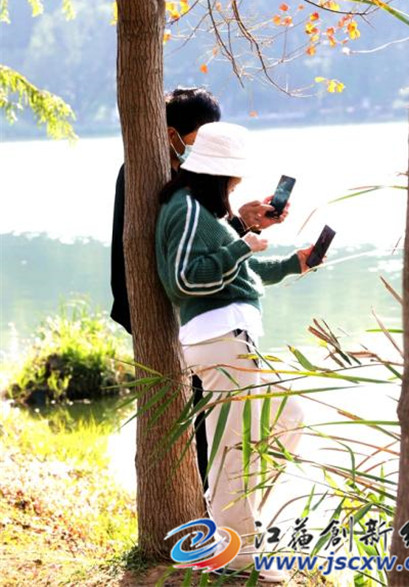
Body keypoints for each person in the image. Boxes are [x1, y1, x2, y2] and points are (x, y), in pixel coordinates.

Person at [155, 122, 315, 581]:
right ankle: (238, 555)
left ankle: (235, 524)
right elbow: (184, 280)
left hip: (234, 340)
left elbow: (238, 273)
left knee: (288, 419)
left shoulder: (202, 212)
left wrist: (294, 263)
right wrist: (241, 245)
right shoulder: (186, 209)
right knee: (235, 447)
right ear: (219, 174)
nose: (236, 185)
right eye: (233, 179)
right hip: (221, 341)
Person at [110, 87, 290, 490]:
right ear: (171, 133)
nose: (210, 146)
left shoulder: (191, 178)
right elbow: (165, 250)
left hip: (198, 310)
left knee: (222, 426)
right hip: (174, 313)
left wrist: (241, 223)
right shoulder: (145, 171)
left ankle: (218, 508)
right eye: (201, 137)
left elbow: (198, 243)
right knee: (208, 429)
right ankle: (217, 513)